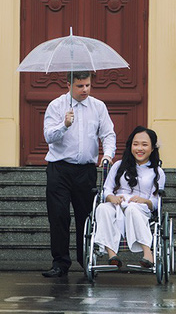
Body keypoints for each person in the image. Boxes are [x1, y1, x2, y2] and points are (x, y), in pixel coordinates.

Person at [41, 70, 115, 278]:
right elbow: (48, 136)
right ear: (69, 85)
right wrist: (64, 125)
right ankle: (60, 263)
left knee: (86, 216)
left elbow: (108, 134)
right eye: (80, 86)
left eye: (88, 85)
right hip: (59, 169)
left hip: (86, 170)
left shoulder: (98, 107)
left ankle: (86, 260)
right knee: (58, 216)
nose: (85, 90)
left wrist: (108, 155)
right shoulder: (56, 106)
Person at [93, 125, 165, 269]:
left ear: (152, 148)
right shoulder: (119, 165)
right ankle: (112, 254)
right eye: (136, 144)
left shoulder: (157, 172)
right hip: (117, 203)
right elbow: (107, 189)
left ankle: (147, 253)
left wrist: (145, 201)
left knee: (132, 209)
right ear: (130, 146)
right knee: (102, 209)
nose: (139, 148)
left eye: (144, 145)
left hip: (140, 208)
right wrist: (111, 198)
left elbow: (156, 201)